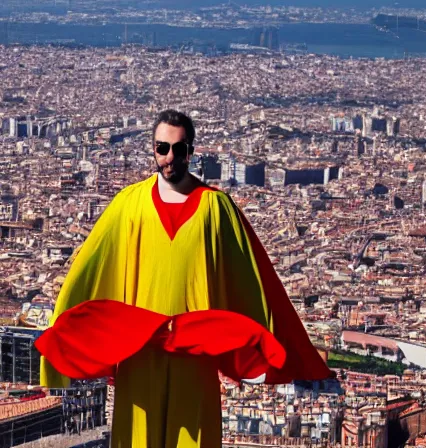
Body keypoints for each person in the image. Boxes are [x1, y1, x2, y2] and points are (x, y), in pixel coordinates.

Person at [40, 109, 332, 448]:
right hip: (139, 354)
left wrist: (261, 347)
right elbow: (89, 272)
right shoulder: (128, 205)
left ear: (191, 151)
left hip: (195, 356)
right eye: (162, 148)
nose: (170, 157)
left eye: (179, 149)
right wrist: (62, 337)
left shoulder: (216, 208)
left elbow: (251, 281)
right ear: (153, 149)